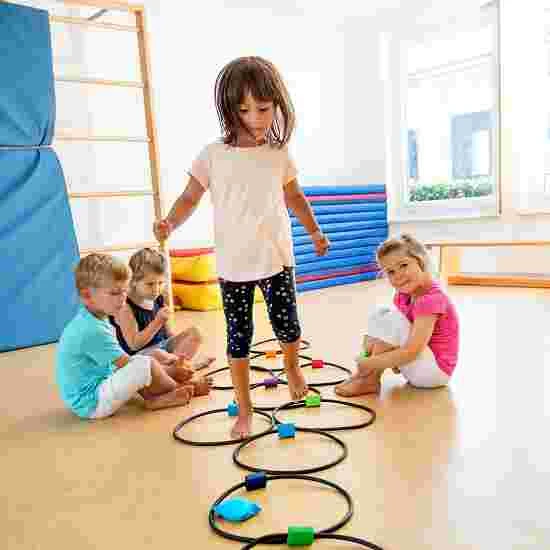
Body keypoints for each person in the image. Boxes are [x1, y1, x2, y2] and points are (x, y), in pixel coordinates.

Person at [153, 56, 330, 438]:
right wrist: (170, 222)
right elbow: (190, 197)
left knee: (288, 325)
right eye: (244, 109)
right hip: (234, 265)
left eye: (263, 109)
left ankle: (292, 367)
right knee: (238, 337)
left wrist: (315, 232)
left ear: (277, 104)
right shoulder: (212, 154)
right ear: (229, 109)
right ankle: (245, 409)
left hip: (276, 258)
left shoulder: (278, 153)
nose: (255, 118)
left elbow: (295, 197)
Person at [56, 253, 210, 419]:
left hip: (102, 382)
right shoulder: (91, 330)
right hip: (92, 402)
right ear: (87, 296)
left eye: (124, 291)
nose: (123, 298)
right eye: (115, 293)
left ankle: (155, 398)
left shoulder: (96, 317)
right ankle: (182, 387)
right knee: (144, 364)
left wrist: (166, 365)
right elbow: (128, 364)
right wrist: (171, 371)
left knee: (152, 357)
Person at [335, 234, 459, 396]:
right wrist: (373, 356)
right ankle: (363, 376)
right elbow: (393, 337)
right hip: (417, 367)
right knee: (380, 314)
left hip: (434, 374)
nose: (398, 275)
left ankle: (369, 378)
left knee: (392, 319)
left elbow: (412, 350)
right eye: (391, 272)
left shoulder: (431, 299)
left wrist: (372, 362)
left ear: (421, 261)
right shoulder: (403, 296)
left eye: (403, 265)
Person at [110, 248, 214, 370]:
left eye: (160, 283)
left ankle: (178, 367)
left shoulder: (158, 297)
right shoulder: (125, 307)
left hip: (162, 348)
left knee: (196, 333)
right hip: (139, 357)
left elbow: (168, 335)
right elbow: (134, 345)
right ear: (133, 281)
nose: (156, 289)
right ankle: (183, 368)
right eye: (150, 284)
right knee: (159, 354)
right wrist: (157, 322)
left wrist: (180, 343)